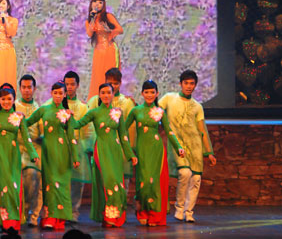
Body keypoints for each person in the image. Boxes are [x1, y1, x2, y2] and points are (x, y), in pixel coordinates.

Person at [72, 83, 137, 228]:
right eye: (103, 92)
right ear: (99, 95)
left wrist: (130, 154)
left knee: (118, 184)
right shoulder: (94, 112)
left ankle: (114, 216)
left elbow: (123, 136)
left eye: (109, 92)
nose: (106, 95)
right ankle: (109, 216)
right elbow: (77, 125)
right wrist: (68, 116)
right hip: (101, 150)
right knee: (110, 183)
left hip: (115, 151)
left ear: (113, 94)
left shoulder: (117, 113)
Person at [0, 85, 38, 233]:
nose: (6, 102)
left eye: (9, 99)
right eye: (3, 99)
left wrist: (33, 154)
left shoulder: (18, 117)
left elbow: (26, 137)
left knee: (13, 186)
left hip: (13, 155)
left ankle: (13, 220)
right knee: (1, 187)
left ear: (13, 100)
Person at [158, 70, 216, 223]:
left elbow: (202, 130)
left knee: (196, 178)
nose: (189, 86)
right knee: (185, 173)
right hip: (178, 144)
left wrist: (209, 152)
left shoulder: (197, 106)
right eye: (186, 83)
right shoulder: (169, 98)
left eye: (192, 83)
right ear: (180, 84)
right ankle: (179, 208)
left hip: (195, 146)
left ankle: (189, 212)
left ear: (195, 85)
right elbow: (154, 109)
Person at [124, 80, 185, 226]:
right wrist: (126, 147)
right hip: (141, 151)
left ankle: (154, 215)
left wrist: (178, 147)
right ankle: (142, 211)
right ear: (142, 93)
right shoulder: (136, 111)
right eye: (147, 92)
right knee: (143, 183)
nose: (149, 95)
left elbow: (169, 131)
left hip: (156, 150)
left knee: (154, 183)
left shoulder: (160, 112)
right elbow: (123, 129)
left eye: (152, 92)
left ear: (157, 94)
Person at [25, 82, 80, 230]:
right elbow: (27, 122)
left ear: (64, 95)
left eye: (60, 93)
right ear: (51, 93)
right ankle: (49, 218)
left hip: (62, 153)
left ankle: (60, 219)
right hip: (48, 153)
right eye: (55, 93)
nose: (57, 96)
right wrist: (16, 117)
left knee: (61, 185)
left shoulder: (66, 113)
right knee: (49, 185)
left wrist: (75, 157)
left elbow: (71, 137)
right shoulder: (44, 109)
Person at [87, 68, 136, 189]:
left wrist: (131, 148)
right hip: (102, 147)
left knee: (121, 182)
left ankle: (121, 201)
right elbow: (88, 124)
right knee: (103, 181)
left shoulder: (127, 102)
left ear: (121, 83)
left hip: (120, 148)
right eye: (110, 82)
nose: (113, 86)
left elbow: (130, 127)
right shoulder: (95, 101)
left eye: (116, 83)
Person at [62, 71, 94, 223]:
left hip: (78, 149)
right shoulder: (55, 105)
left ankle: (74, 212)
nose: (69, 87)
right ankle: (62, 212)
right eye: (67, 84)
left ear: (77, 85)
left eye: (72, 84)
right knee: (62, 181)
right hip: (61, 148)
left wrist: (86, 147)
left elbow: (88, 130)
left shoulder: (82, 107)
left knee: (77, 182)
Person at [14, 74, 44, 228]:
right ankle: (22, 212)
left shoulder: (38, 108)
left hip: (35, 149)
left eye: (29, 87)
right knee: (21, 181)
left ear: (34, 89)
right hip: (17, 148)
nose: (26, 90)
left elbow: (42, 131)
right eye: (24, 87)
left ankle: (34, 214)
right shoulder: (14, 106)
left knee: (35, 177)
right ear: (20, 88)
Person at [85, 0, 123, 101]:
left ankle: (113, 100)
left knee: (111, 76)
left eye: (100, 2)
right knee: (98, 76)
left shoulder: (108, 16)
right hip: (98, 51)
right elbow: (89, 33)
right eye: (95, 2)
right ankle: (97, 101)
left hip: (110, 49)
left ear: (104, 5)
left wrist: (110, 32)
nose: (97, 4)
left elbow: (120, 29)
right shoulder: (89, 21)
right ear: (91, 4)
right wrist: (93, 18)